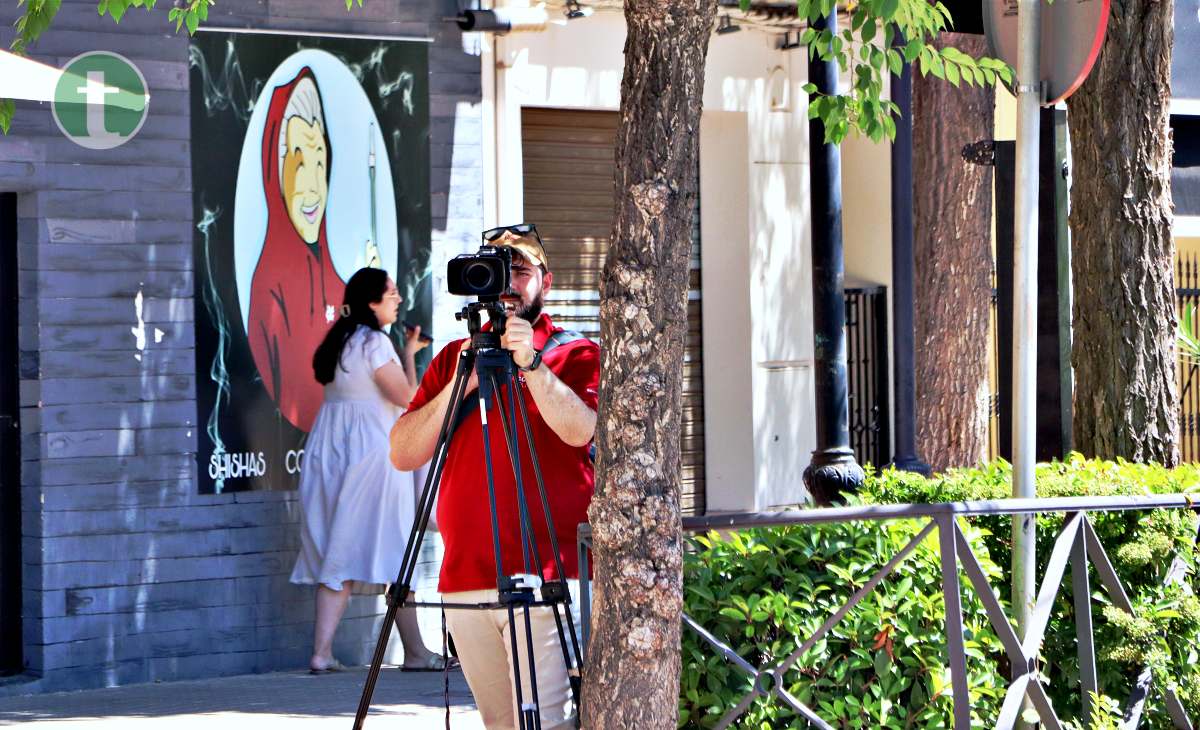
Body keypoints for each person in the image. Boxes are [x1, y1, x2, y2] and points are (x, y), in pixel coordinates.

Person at [390, 225, 600, 729]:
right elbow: (402, 452)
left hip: (551, 577)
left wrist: (528, 363)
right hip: (465, 581)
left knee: (547, 724)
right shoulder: (452, 361)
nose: (506, 284)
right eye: (496, 271)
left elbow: (580, 432)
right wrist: (464, 379)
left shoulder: (576, 354)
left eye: (520, 271)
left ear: (544, 283)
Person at [289, 267, 449, 673]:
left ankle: (323, 652)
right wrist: (411, 356)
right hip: (372, 456)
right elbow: (407, 398)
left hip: (329, 451)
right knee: (394, 548)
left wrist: (407, 350)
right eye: (391, 293)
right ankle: (413, 653)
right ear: (372, 302)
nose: (398, 299)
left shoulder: (340, 341)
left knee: (336, 547)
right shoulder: (375, 343)